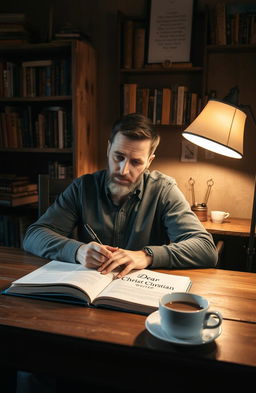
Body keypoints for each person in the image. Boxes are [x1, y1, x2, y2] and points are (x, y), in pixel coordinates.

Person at [23, 113, 218, 273]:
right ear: (109, 149)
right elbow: (34, 235)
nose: (123, 170)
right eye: (119, 157)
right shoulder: (83, 187)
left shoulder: (163, 190)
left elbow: (206, 249)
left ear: (150, 161)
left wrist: (146, 255)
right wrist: (78, 250)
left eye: (136, 162)